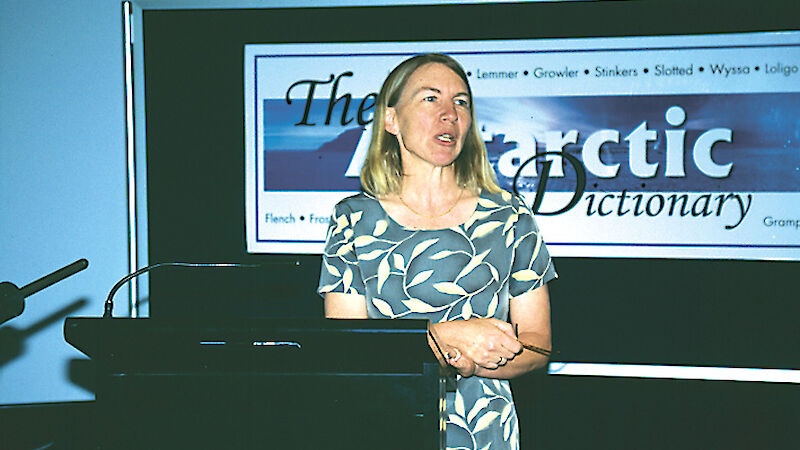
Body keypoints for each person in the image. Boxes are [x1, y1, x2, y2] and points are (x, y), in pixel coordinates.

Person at [318, 53, 557, 450]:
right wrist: (442, 337)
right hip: (385, 426)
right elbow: (347, 347)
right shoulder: (353, 219)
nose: (450, 113)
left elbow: (539, 345)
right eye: (430, 99)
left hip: (485, 431)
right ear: (391, 120)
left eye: (461, 102)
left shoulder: (509, 217)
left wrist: (475, 361)